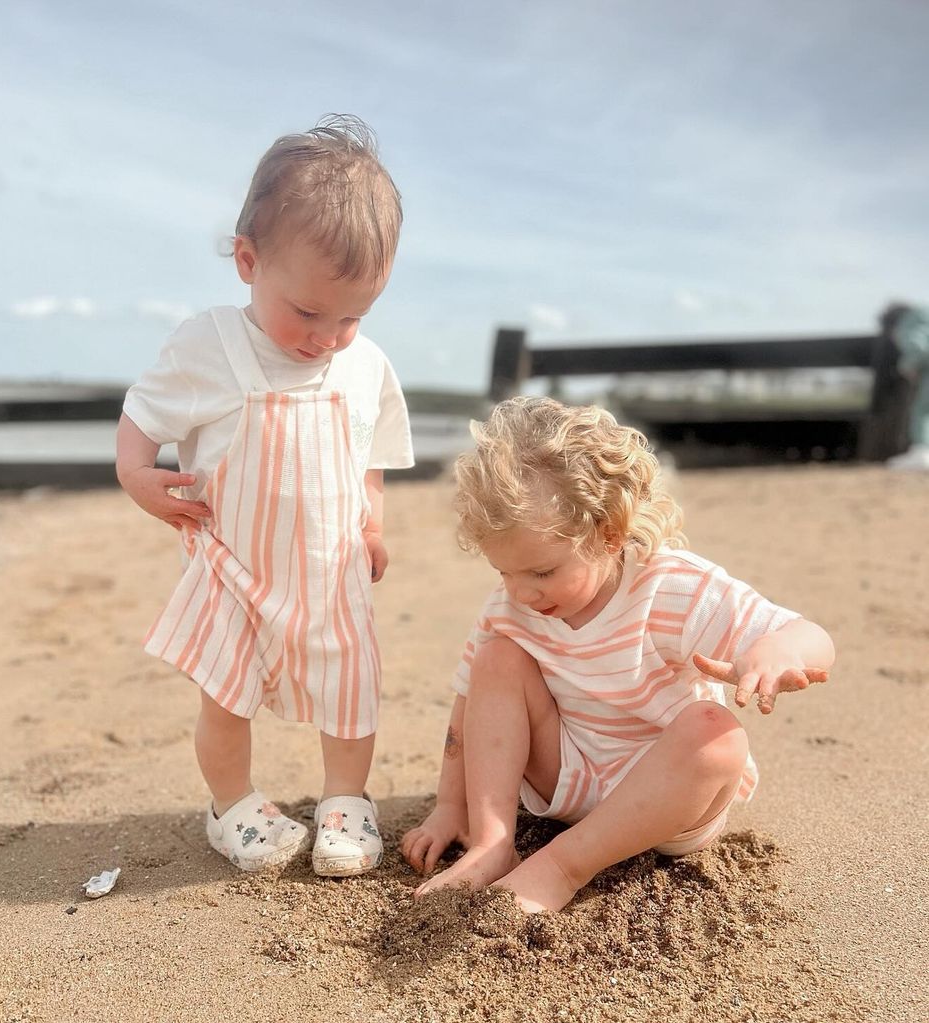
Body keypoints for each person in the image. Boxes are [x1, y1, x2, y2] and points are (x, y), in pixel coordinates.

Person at [116, 116, 413, 878]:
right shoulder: (210, 345)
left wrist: (373, 522)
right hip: (235, 569)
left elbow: (369, 452)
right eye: (308, 312)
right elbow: (142, 416)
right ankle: (232, 804)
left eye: (351, 316)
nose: (326, 336)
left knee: (351, 692)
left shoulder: (364, 365)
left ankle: (346, 797)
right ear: (247, 261)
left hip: (331, 567)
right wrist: (135, 475)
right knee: (226, 695)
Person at [401, 397, 833, 913]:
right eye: (503, 572)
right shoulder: (513, 604)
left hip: (666, 802)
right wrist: (451, 805)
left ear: (608, 533)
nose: (521, 593)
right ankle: (493, 842)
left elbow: (807, 634)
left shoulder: (671, 586)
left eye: (541, 573)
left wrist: (777, 649)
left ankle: (563, 866)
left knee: (716, 734)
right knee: (494, 658)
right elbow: (470, 705)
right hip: (567, 780)